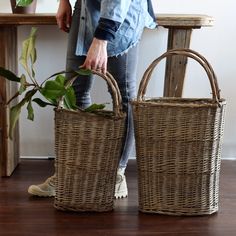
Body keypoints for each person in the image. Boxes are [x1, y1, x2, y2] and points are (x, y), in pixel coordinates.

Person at [28, 0, 157, 198]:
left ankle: (117, 174)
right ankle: (72, 172)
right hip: (85, 8)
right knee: (72, 92)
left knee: (123, 95)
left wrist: (101, 39)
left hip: (121, 12)